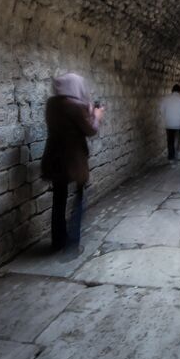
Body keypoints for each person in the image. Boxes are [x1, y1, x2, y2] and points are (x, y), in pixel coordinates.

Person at [41, 73, 104, 253]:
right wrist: (97, 115)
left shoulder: (52, 104)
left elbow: (71, 120)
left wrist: (88, 110)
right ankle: (73, 242)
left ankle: (58, 240)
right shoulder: (76, 107)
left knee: (58, 200)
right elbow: (90, 129)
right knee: (79, 197)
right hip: (73, 159)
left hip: (54, 157)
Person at [159, 84, 180, 163]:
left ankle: (171, 157)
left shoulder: (166, 98)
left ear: (172, 90)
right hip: (179, 124)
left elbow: (161, 110)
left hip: (169, 123)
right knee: (178, 139)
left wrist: (166, 117)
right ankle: (176, 152)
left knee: (170, 140)